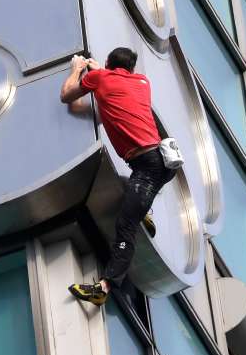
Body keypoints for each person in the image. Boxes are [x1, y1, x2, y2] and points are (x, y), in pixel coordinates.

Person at [61, 47, 173, 305]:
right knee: (130, 192)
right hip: (162, 161)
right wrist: (102, 71)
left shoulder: (100, 78)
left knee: (125, 226)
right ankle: (143, 210)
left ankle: (104, 287)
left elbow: (67, 96)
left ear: (108, 63)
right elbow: (118, 88)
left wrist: (77, 69)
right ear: (131, 69)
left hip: (147, 165)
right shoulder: (142, 82)